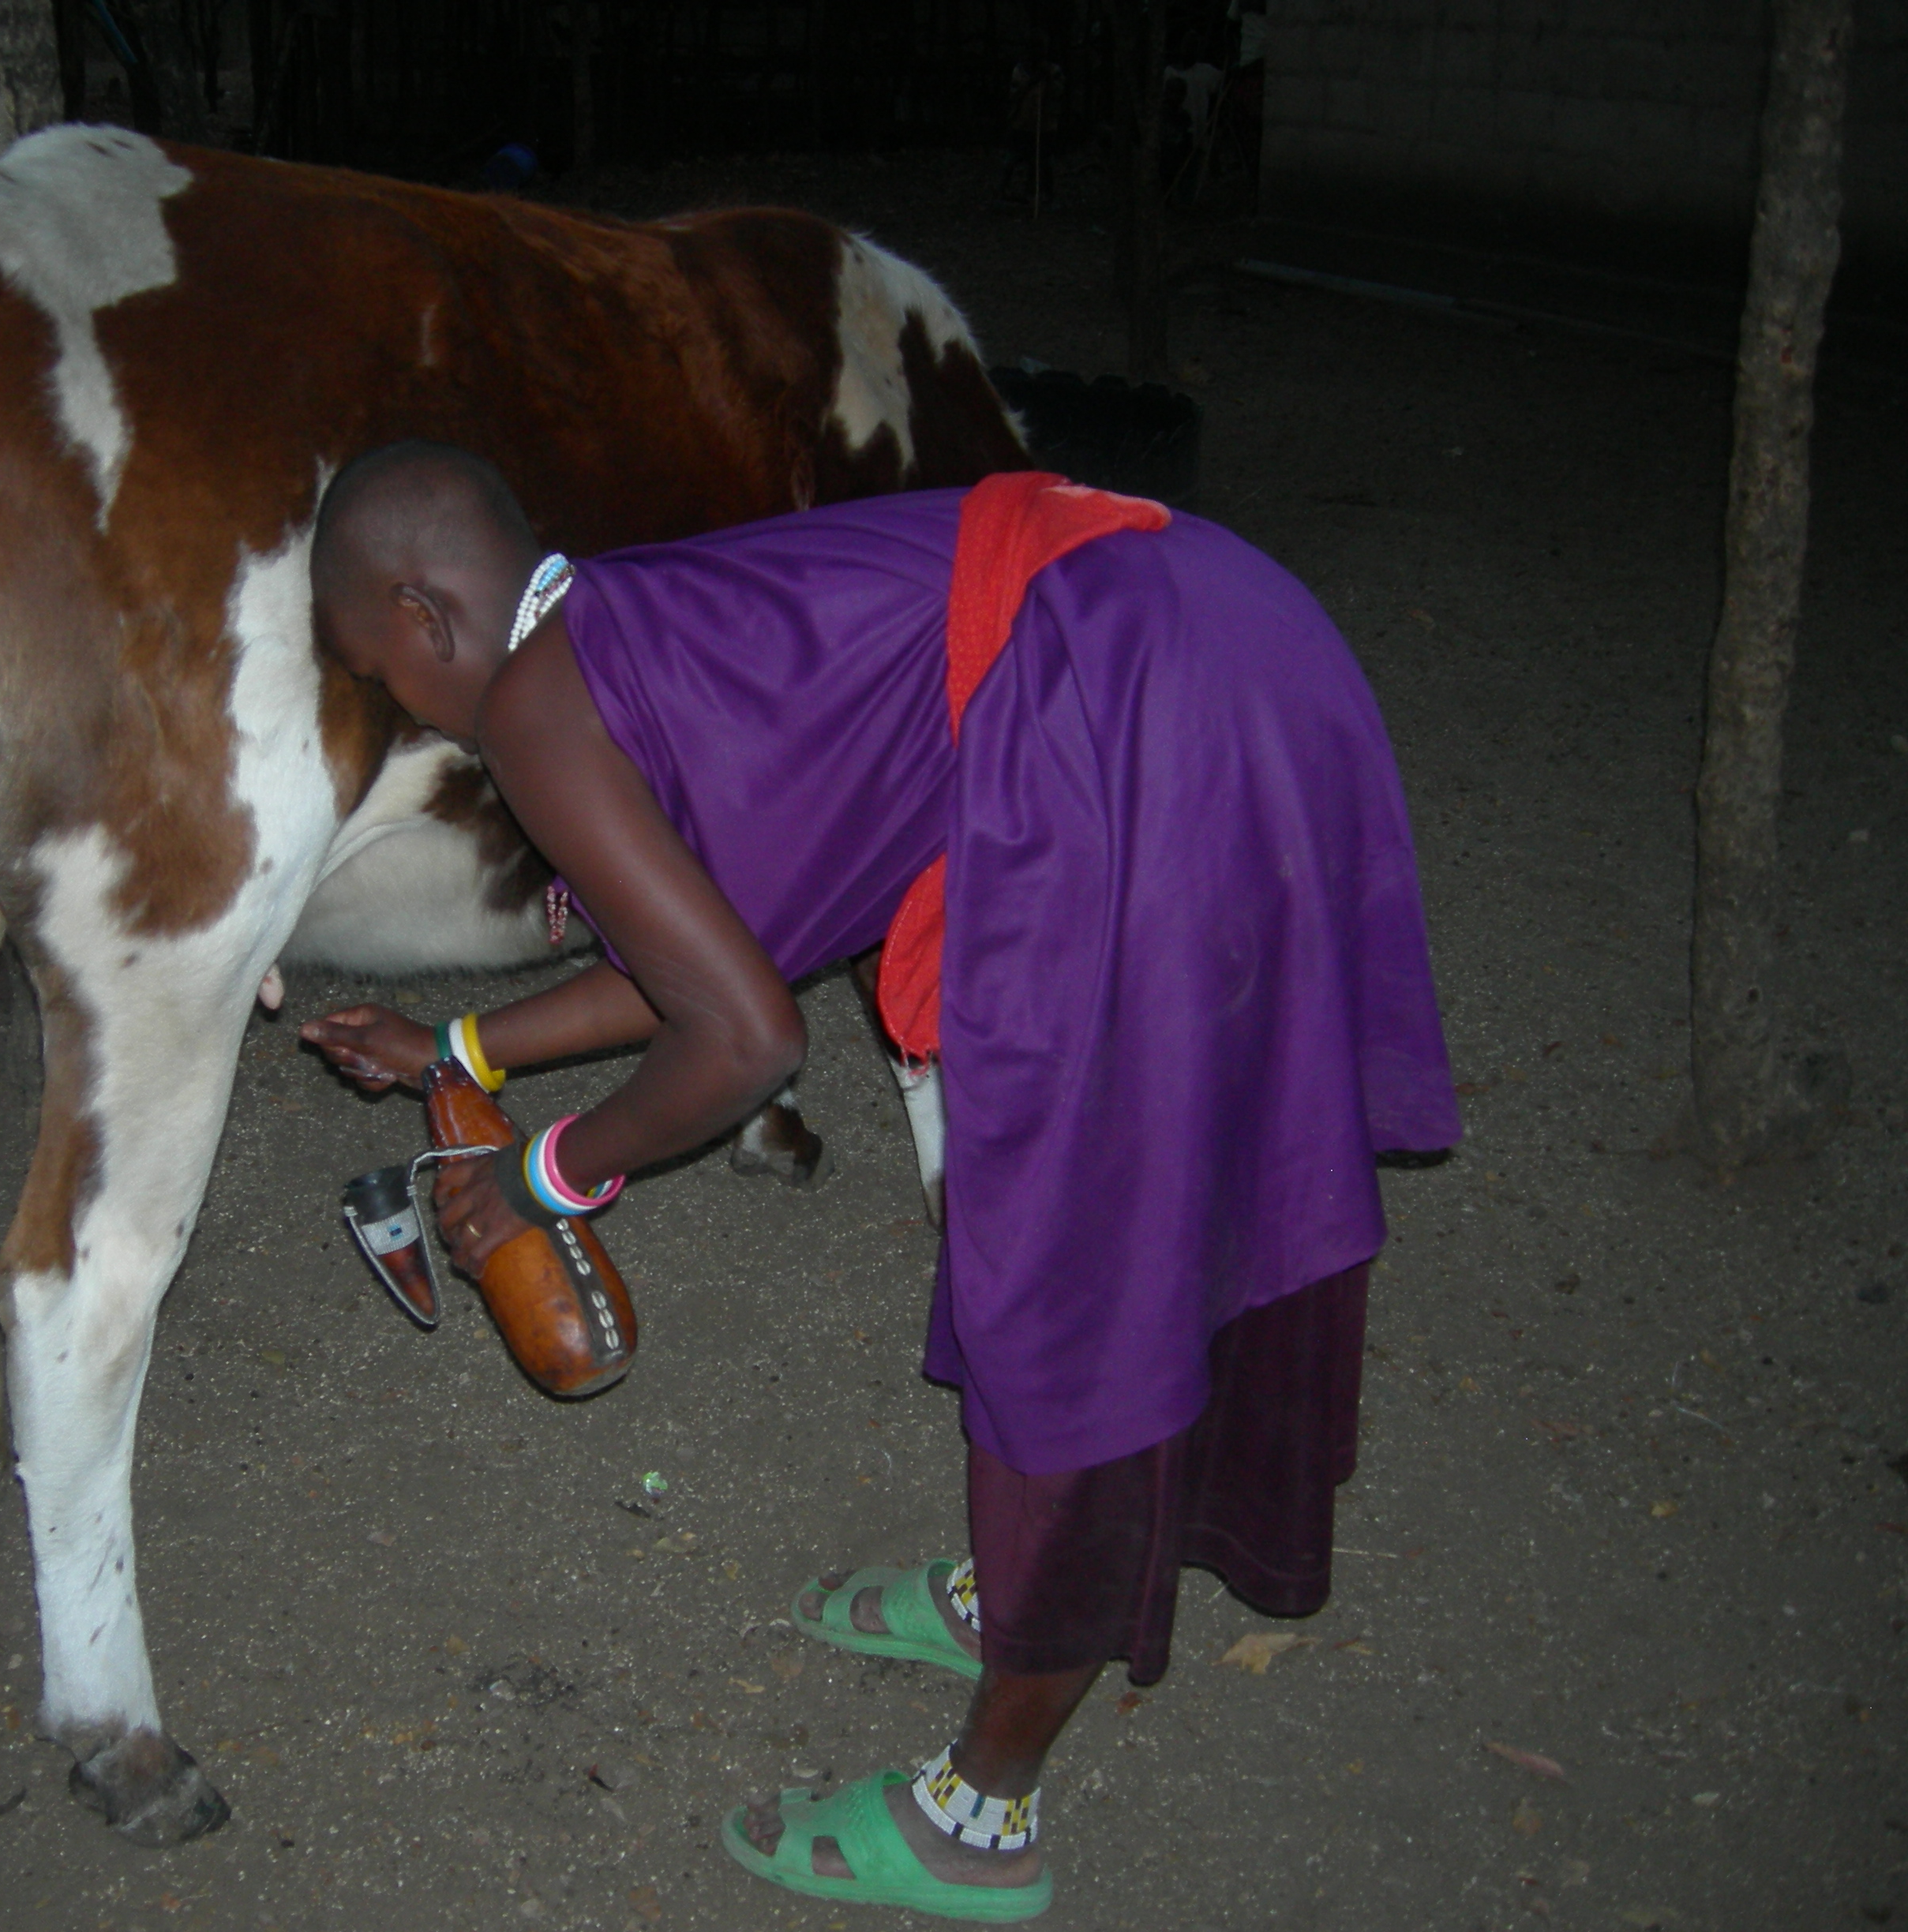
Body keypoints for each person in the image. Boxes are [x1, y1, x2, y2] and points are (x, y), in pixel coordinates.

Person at [298, 444, 1459, 1921]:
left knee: (1076, 1256)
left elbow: (744, 1038)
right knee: (1086, 1201)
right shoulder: (612, 623)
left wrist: (543, 1176)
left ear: (424, 613)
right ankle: (1014, 1584)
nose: (402, 703)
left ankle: (983, 1815)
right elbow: (700, 956)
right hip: (1204, 630)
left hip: (1143, 702)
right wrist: (455, 1047)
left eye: (380, 669)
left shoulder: (533, 705)